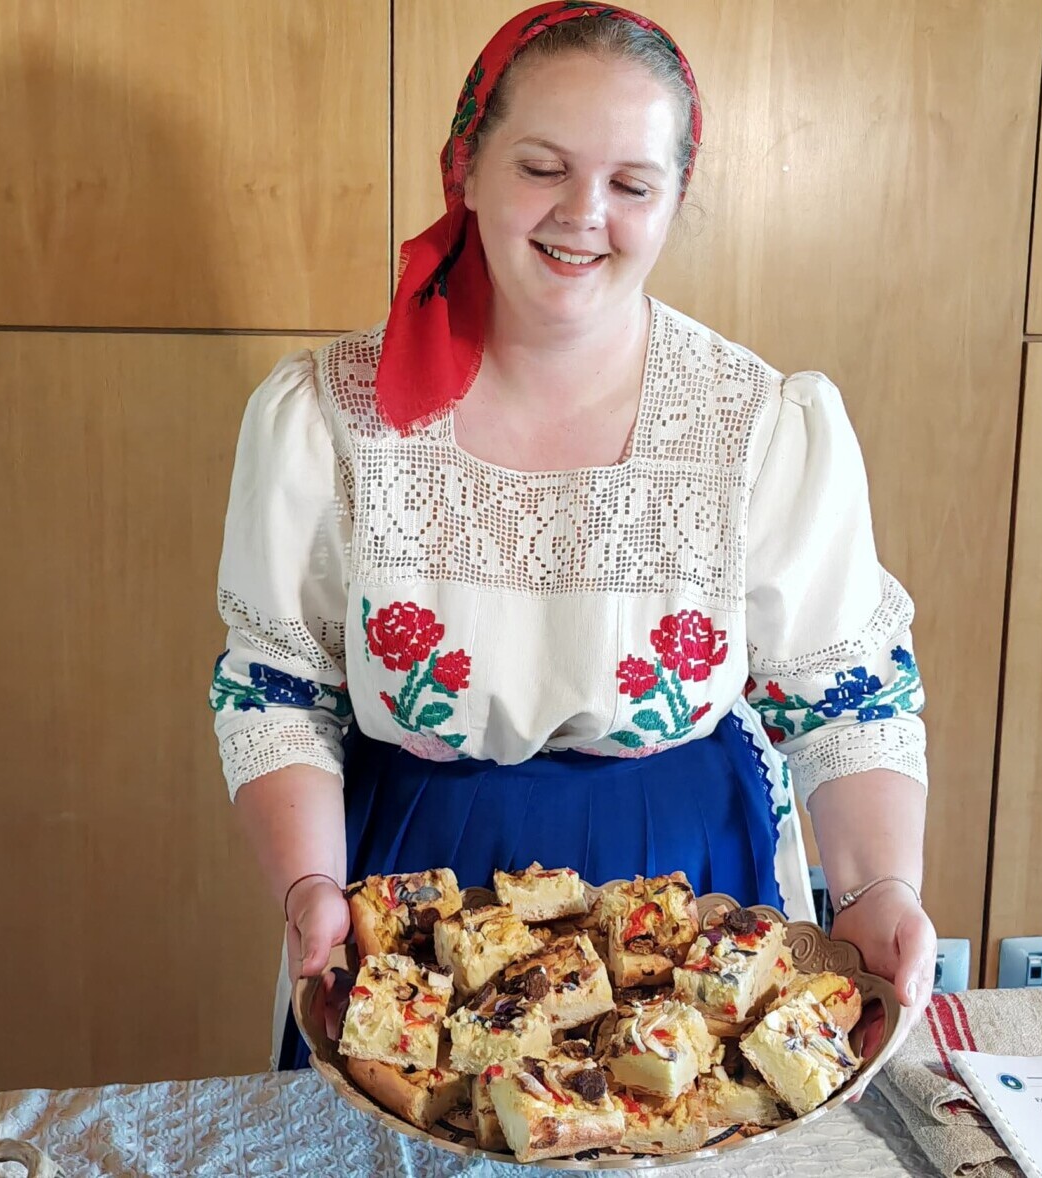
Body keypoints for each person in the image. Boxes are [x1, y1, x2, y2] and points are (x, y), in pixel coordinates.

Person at [209, 2, 935, 1072]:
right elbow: (280, 688)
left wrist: (879, 892)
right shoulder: (328, 415)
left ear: (676, 195)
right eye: (543, 167)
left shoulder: (757, 424)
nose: (584, 213)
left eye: (632, 184)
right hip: (412, 888)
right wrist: (311, 886)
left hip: (687, 886)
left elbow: (846, 700)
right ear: (467, 165)